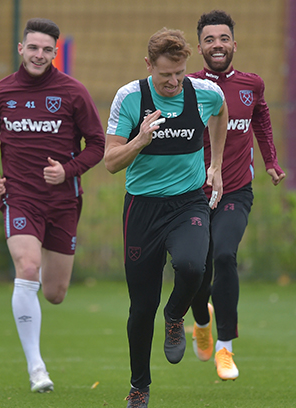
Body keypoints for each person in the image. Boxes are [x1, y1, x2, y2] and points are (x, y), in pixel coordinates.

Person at [0, 17, 105, 393]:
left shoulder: (73, 93)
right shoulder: (1, 93)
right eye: (33, 47)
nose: (39, 55)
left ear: (54, 52)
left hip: (64, 202)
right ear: (21, 48)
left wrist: (68, 170)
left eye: (47, 50)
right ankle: (37, 368)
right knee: (27, 266)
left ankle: (38, 329)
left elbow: (96, 145)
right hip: (20, 198)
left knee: (54, 293)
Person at [104, 28, 228, 407]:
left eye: (180, 73)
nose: (173, 82)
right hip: (142, 208)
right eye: (165, 75)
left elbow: (221, 114)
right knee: (141, 307)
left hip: (188, 202)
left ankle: (175, 317)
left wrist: (217, 165)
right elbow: (110, 163)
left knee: (193, 267)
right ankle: (139, 388)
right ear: (148, 66)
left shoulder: (206, 93)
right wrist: (140, 140)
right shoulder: (129, 97)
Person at [188, 10, 286, 381]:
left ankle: (225, 348)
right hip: (192, 195)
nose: (217, 45)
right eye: (210, 39)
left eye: (223, 38)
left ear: (234, 44)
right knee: (195, 268)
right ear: (199, 47)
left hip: (235, 190)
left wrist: (271, 161)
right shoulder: (187, 86)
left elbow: (260, 116)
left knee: (225, 255)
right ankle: (201, 321)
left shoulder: (251, 84)